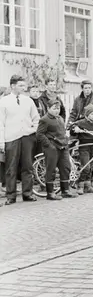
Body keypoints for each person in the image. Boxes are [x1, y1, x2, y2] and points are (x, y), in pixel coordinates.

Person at [0, 75, 40, 205]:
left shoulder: (28, 101)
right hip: (11, 138)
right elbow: (1, 123)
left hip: (27, 137)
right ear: (13, 86)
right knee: (11, 168)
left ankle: (27, 193)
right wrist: (1, 142)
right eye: (20, 85)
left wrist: (32, 130)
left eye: (24, 85)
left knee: (27, 166)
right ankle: (11, 196)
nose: (24, 88)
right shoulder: (4, 101)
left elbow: (36, 118)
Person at [36, 99, 76, 200]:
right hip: (52, 148)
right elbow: (39, 134)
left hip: (63, 147)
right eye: (54, 108)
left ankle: (65, 190)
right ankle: (50, 193)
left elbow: (62, 132)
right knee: (51, 169)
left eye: (58, 108)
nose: (57, 110)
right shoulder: (44, 120)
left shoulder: (60, 118)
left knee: (66, 168)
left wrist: (66, 141)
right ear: (48, 108)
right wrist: (49, 145)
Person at [71, 104, 93, 195]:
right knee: (86, 167)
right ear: (87, 115)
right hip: (84, 147)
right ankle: (80, 186)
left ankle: (88, 186)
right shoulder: (81, 122)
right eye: (92, 114)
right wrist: (75, 128)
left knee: (91, 166)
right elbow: (72, 127)